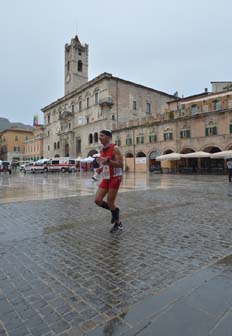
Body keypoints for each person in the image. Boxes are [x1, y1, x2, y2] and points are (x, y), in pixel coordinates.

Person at [94, 129, 123, 233]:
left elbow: (120, 164)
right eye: (99, 135)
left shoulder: (115, 148)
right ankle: (115, 210)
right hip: (106, 177)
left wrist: (108, 161)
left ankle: (118, 223)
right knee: (97, 200)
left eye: (101, 135)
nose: (99, 138)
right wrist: (100, 168)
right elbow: (104, 164)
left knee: (111, 201)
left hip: (115, 177)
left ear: (108, 137)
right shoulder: (102, 150)